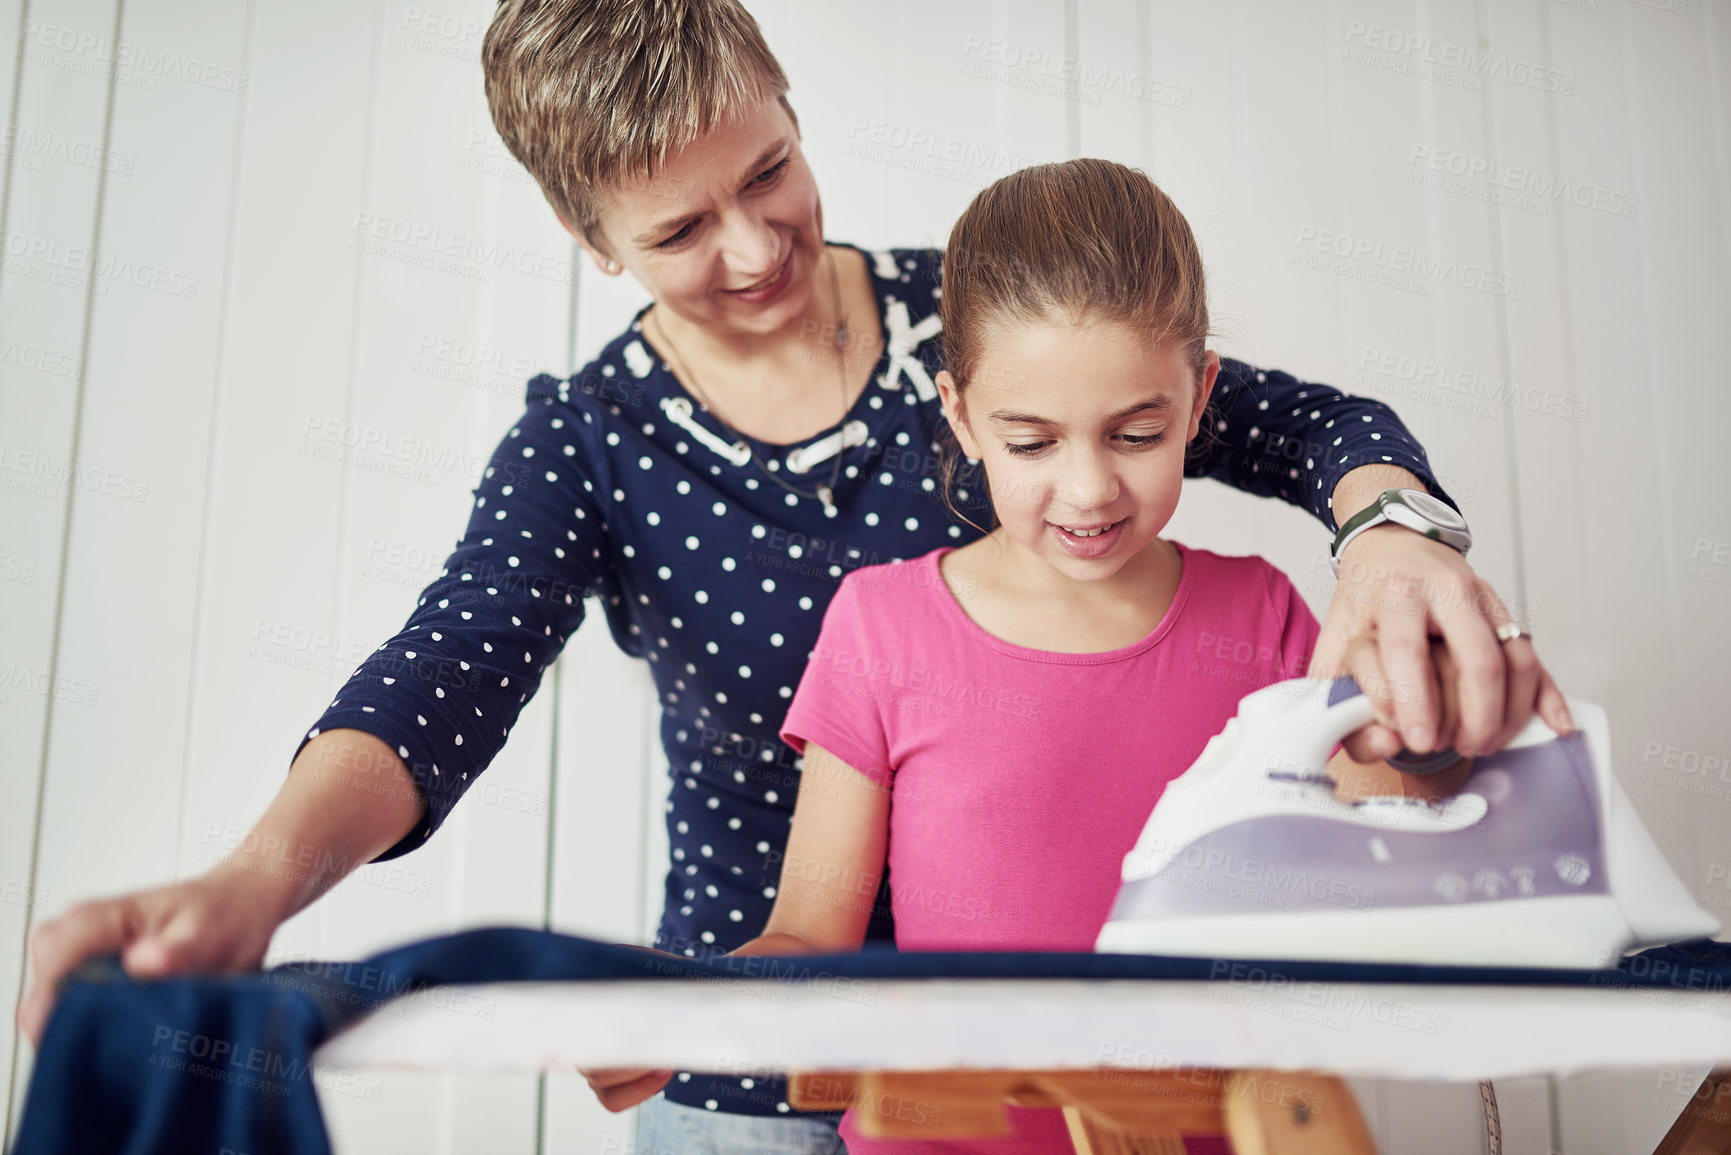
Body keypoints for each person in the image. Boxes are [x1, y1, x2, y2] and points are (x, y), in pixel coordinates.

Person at [17, 2, 1568, 1151]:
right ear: (587, 234)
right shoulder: (590, 444)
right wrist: (254, 877)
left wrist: (1385, 534)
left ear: (788, 101)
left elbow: (1302, 425)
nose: (754, 246)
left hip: (1082, 1069)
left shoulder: (983, 329)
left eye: (769, 169)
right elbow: (450, 665)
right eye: (680, 225)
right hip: (752, 1061)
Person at [583, 156, 1491, 1153]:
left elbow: (1386, 841)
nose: (1090, 488)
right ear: (961, 414)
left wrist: (1432, 731)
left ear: (1198, 404)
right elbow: (811, 936)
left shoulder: (1265, 617)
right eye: (1032, 443)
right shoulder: (879, 627)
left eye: (1137, 433)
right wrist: (692, 997)